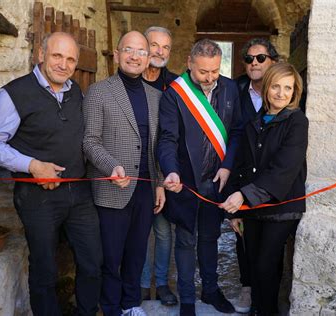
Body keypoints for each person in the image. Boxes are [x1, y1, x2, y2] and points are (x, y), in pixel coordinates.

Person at [0, 32, 103, 316]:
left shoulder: (76, 93)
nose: (64, 64)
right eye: (57, 56)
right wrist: (33, 166)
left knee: (92, 262)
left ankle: (86, 312)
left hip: (80, 194)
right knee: (44, 269)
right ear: (41, 54)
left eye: (71, 59)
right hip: (38, 198)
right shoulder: (14, 93)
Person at [157, 39, 244, 316]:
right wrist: (170, 169)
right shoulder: (174, 94)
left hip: (217, 180)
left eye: (215, 71)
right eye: (203, 72)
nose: (209, 78)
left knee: (210, 238)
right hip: (185, 181)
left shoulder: (230, 88)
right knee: (185, 241)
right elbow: (168, 139)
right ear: (189, 64)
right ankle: (187, 299)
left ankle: (210, 290)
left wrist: (228, 166)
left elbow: (238, 131)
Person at [82, 30, 165, 316]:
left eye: (141, 51)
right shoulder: (99, 91)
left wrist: (160, 184)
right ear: (117, 54)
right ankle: (110, 308)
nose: (134, 56)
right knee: (111, 256)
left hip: (145, 188)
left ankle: (131, 305)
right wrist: (111, 166)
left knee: (137, 253)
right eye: (128, 50)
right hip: (111, 188)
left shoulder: (156, 97)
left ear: (148, 58)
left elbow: (157, 146)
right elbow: (89, 141)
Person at [220, 62, 308, 316]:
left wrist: (243, 196)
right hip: (251, 208)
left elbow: (284, 169)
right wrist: (235, 210)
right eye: (277, 86)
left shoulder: (297, 122)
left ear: (295, 92)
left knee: (266, 267)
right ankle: (259, 310)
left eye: (288, 88)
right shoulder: (253, 122)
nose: (281, 93)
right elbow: (242, 167)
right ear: (267, 87)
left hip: (282, 208)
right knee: (252, 266)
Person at [232, 38, 280, 314]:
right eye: (249, 59)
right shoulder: (235, 90)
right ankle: (247, 287)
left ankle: (267, 299)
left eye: (260, 58)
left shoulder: (283, 92)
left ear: (272, 60)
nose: (254, 64)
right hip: (243, 172)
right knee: (242, 235)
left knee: (269, 244)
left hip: (273, 178)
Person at [139, 26, 178, 306]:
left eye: (165, 48)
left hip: (164, 169)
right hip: (134, 171)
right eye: (154, 45)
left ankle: (162, 283)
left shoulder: (176, 86)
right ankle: (140, 285)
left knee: (164, 231)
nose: (159, 52)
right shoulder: (128, 81)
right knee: (139, 231)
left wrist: (165, 177)